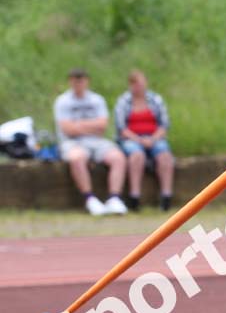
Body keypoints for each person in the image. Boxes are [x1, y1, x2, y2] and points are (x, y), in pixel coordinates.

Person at [54, 68, 127, 216]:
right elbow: (67, 129)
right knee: (77, 158)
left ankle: (114, 198)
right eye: (75, 80)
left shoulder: (96, 99)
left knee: (118, 157)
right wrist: (90, 126)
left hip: (97, 142)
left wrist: (78, 125)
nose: (78, 83)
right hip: (72, 142)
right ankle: (90, 199)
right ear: (70, 81)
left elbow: (102, 126)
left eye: (81, 80)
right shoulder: (63, 101)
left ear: (87, 81)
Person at [114, 70, 174, 211]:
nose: (138, 87)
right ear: (130, 85)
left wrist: (153, 139)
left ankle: (166, 196)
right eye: (135, 84)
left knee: (164, 156)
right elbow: (121, 128)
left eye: (141, 84)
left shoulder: (156, 100)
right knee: (137, 156)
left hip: (154, 137)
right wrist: (139, 140)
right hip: (131, 138)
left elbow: (164, 125)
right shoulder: (123, 101)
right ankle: (134, 196)